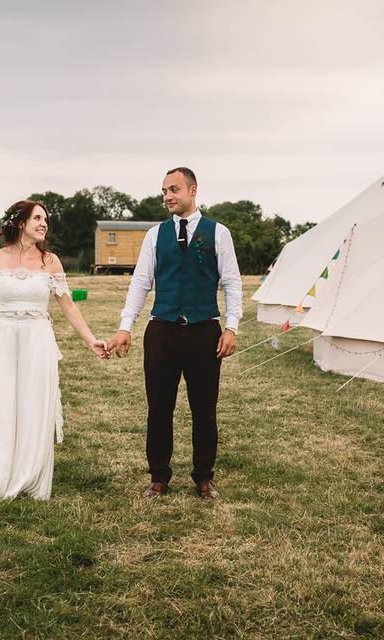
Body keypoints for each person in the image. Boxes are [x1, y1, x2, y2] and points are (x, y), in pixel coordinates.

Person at [0, 200, 109, 505]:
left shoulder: (52, 262)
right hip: (3, 338)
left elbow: (68, 305)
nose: (44, 224)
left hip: (37, 340)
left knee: (32, 404)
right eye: (38, 218)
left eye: (45, 219)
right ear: (20, 223)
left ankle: (27, 474)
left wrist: (90, 340)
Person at [107, 167, 242, 499]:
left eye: (173, 189)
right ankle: (159, 476)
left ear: (193, 191)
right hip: (162, 332)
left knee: (204, 409)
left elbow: (232, 282)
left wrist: (232, 327)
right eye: (164, 191)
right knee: (159, 408)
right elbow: (140, 283)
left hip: (204, 332)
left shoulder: (218, 233)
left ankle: (203, 476)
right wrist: (126, 326)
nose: (167, 196)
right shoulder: (155, 235)